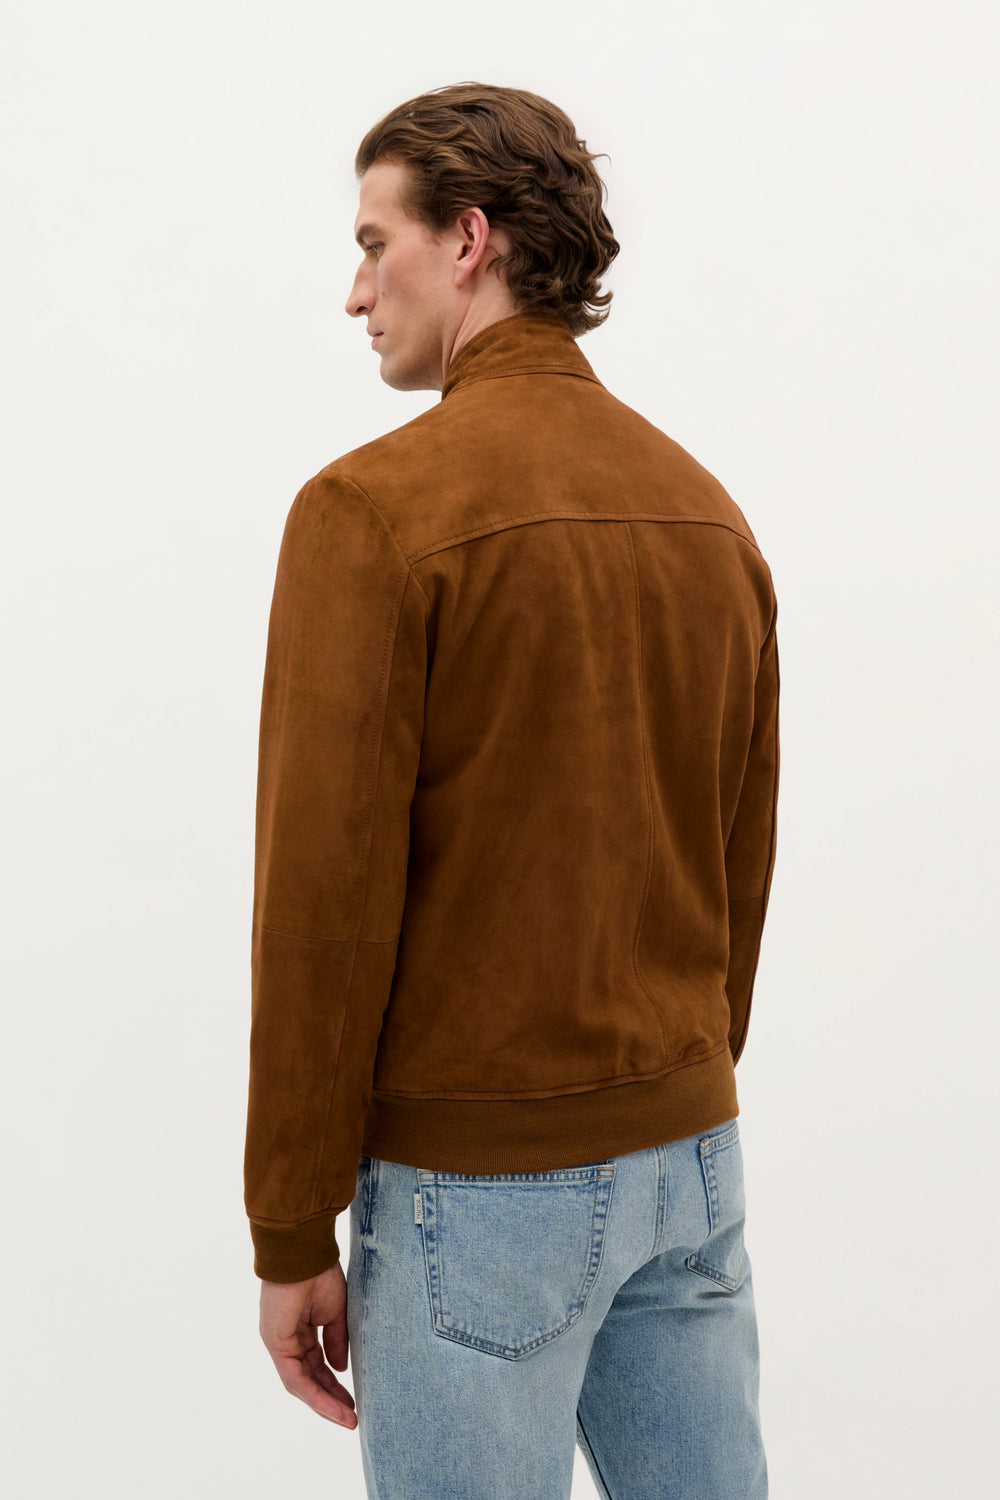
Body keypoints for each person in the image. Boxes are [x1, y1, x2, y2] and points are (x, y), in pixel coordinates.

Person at [244, 81, 780, 1500]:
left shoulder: (372, 513)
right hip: (689, 1157)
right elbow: (741, 855)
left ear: (469, 238)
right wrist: (676, 1086)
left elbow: (322, 910)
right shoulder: (706, 512)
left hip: (478, 1190)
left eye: (377, 244)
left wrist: (290, 1225)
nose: (357, 292)